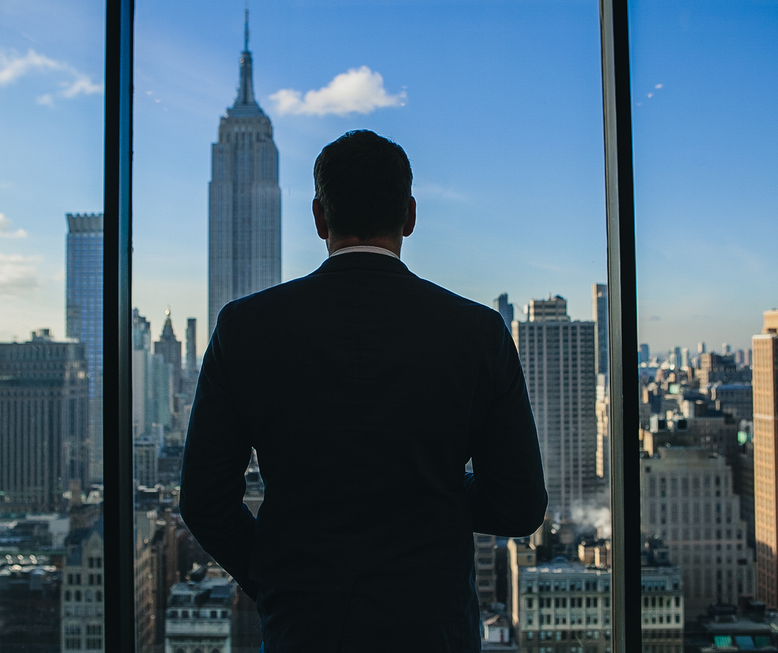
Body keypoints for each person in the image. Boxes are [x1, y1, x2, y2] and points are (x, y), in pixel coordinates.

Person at [180, 130, 547, 652]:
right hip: (433, 627)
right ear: (410, 217)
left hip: (302, 626)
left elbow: (203, 499)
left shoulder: (246, 327)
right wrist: (434, 487)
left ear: (319, 218)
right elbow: (519, 506)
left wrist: (272, 581)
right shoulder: (477, 331)